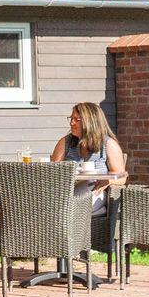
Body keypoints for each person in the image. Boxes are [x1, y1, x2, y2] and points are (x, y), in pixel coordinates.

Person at [52, 100, 127, 255]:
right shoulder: (66, 142)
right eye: (71, 118)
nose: (72, 123)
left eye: (77, 119)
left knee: (64, 208)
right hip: (68, 191)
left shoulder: (108, 145)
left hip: (95, 192)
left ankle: (73, 246)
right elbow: (52, 171)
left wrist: (107, 180)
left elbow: (122, 177)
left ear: (90, 121)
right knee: (55, 205)